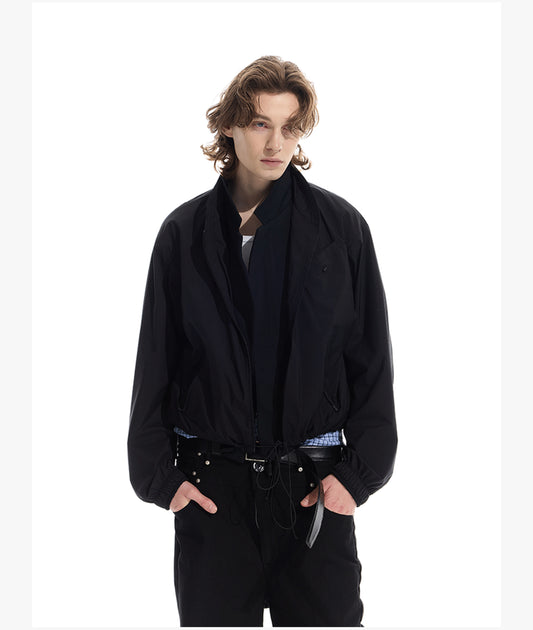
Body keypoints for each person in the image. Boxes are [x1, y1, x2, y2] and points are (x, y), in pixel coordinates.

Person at [127, 55, 397, 627]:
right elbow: (156, 360)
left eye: (290, 127)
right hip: (212, 491)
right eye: (260, 124)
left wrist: (358, 475)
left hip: (314, 488)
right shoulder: (183, 235)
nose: (276, 143)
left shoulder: (341, 230)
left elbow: (370, 359)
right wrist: (161, 478)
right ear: (229, 125)